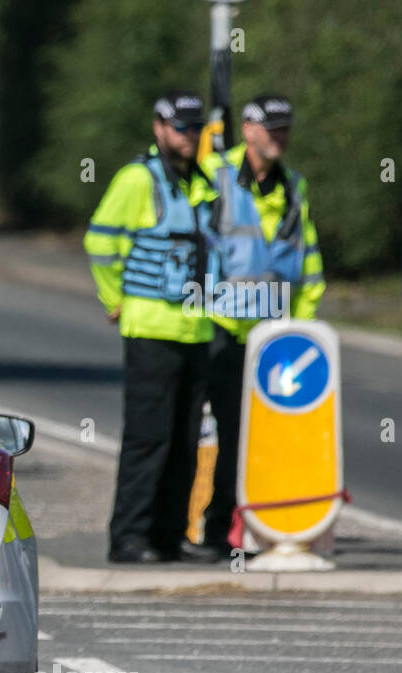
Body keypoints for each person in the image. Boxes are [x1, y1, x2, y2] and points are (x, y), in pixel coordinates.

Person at [185, 94, 325, 561]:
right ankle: (187, 528)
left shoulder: (293, 186)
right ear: (248, 129)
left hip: (272, 336)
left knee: (251, 440)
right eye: (272, 128)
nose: (280, 136)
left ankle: (237, 532)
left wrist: (300, 330)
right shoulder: (215, 175)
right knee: (195, 432)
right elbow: (190, 243)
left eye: (285, 128)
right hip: (218, 328)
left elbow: (308, 264)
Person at [84, 91, 220, 563]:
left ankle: (169, 535)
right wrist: (114, 299)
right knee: (149, 437)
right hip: (150, 329)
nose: (189, 135)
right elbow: (100, 240)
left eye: (195, 127)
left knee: (186, 439)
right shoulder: (137, 179)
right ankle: (129, 537)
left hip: (197, 330)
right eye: (181, 127)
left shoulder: (199, 181)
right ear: (159, 127)